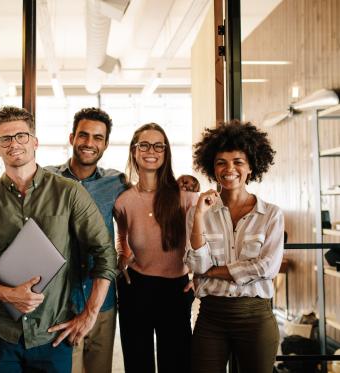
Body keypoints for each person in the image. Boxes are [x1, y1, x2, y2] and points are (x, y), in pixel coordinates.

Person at [0, 106, 117, 373]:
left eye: (21, 136)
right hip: (0, 333)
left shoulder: (69, 193)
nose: (13, 144)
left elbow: (105, 254)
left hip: (53, 334)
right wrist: (8, 294)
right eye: (4, 139)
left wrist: (89, 315)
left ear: (35, 142)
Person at [185, 121, 284, 373]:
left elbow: (267, 268)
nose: (230, 169)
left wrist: (211, 272)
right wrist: (198, 216)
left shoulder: (271, 214)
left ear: (251, 167)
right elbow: (197, 264)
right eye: (221, 162)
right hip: (211, 316)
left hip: (255, 316)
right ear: (212, 167)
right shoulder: (200, 211)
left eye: (238, 161)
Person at [46, 107, 126, 373]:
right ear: (72, 138)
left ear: (105, 144)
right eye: (83, 135)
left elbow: (144, 210)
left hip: (100, 300)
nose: (89, 143)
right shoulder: (46, 179)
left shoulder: (117, 182)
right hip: (59, 301)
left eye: (97, 137)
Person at [113, 123, 197, 373]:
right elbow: (122, 235)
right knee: (138, 363)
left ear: (166, 151)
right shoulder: (124, 200)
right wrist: (121, 258)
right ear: (134, 151)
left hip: (176, 289)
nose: (152, 151)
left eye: (159, 145)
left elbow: (206, 239)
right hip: (136, 287)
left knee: (177, 362)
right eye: (144, 145)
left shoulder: (184, 195)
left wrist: (200, 274)